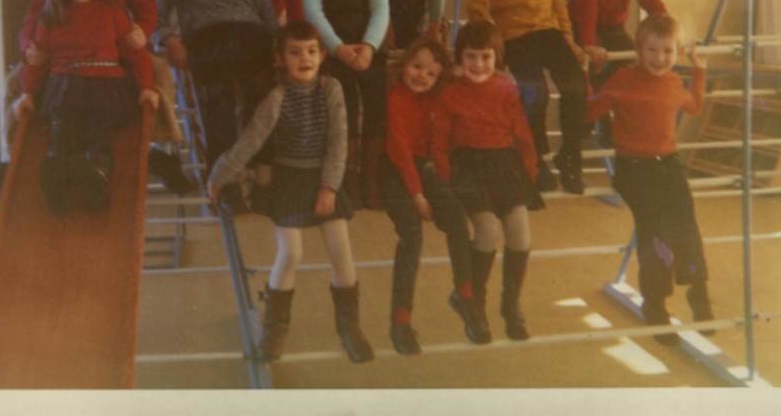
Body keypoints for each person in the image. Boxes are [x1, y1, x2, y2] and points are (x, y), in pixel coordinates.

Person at [0, 0, 188, 202]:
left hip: (120, 48)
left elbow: (147, 7)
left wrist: (142, 29)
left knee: (160, 75)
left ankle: (158, 150)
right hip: (67, 55)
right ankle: (10, 157)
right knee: (14, 82)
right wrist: (29, 44)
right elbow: (36, 14)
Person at [206, 21, 373, 364]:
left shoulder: (331, 89)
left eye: (311, 51)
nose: (304, 58)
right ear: (280, 59)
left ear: (322, 55)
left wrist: (329, 187)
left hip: (324, 177)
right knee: (291, 254)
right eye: (295, 53)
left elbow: (338, 142)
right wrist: (220, 175)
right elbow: (250, 140)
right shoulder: (277, 97)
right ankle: (275, 327)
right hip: (290, 180)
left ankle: (349, 326)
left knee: (341, 252)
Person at [586, 13, 713, 345]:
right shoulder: (623, 79)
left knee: (686, 224)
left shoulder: (673, 82)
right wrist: (587, 73)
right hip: (633, 168)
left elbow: (695, 105)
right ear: (638, 50)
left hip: (667, 166)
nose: (659, 58)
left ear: (678, 51)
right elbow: (591, 110)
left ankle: (698, 292)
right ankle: (655, 304)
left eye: (668, 51)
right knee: (656, 232)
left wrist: (699, 70)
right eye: (652, 50)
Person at [13, 0, 159, 213]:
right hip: (65, 86)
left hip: (106, 87)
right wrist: (27, 93)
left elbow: (135, 54)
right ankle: (57, 178)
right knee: (63, 131)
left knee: (99, 133)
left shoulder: (113, 12)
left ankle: (96, 179)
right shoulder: (51, 16)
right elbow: (38, 61)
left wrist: (146, 87)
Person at [156, 0, 279, 213]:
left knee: (263, 108)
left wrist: (279, 43)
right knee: (219, 111)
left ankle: (265, 180)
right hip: (208, 42)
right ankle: (225, 185)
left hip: (251, 38)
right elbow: (158, 17)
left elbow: (266, 11)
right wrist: (171, 41)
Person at [467, 0, 588, 194]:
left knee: (577, 83)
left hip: (548, 33)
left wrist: (568, 37)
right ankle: (536, 162)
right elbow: (476, 3)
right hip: (516, 38)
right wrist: (495, 41)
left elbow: (557, 0)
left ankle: (570, 154)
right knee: (536, 95)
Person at [431, 20, 545, 341]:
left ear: (498, 58)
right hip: (467, 167)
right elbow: (438, 142)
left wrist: (530, 171)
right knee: (488, 229)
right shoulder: (450, 93)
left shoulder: (506, 88)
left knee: (520, 233)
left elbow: (522, 133)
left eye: (486, 57)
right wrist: (446, 181)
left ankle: (510, 304)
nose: (478, 64)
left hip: (504, 165)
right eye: (471, 56)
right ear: (460, 57)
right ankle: (473, 302)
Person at [382, 38, 488, 354]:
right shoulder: (395, 97)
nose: (421, 76)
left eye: (431, 74)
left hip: (422, 170)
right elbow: (399, 151)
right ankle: (400, 321)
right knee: (412, 233)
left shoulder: (435, 96)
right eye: (416, 67)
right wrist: (417, 194)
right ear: (404, 65)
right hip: (394, 172)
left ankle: (465, 296)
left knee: (456, 218)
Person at [301, 0, 390, 210]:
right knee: (345, 111)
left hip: (368, 50)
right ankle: (348, 179)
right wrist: (338, 49)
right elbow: (313, 12)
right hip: (334, 52)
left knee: (378, 109)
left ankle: (372, 179)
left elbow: (381, 9)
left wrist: (368, 47)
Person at [569, 0, 667, 147]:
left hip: (614, 27)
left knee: (628, 63)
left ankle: (614, 114)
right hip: (584, 26)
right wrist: (589, 44)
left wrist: (666, 28)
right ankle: (600, 118)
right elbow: (587, 10)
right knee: (595, 67)